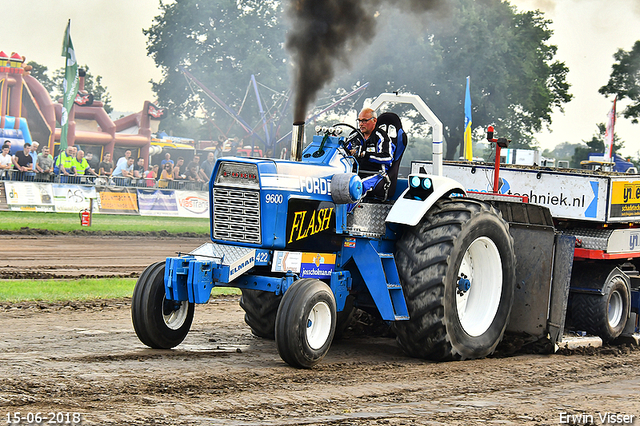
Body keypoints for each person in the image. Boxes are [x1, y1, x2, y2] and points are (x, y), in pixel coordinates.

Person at [348, 107, 394, 199]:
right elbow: (343, 150)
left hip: (376, 173)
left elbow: (388, 158)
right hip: (355, 172)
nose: (361, 124)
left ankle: (347, 212)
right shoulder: (354, 135)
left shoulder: (382, 136)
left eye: (364, 121)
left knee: (356, 186)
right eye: (359, 121)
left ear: (374, 120)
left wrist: (365, 155)